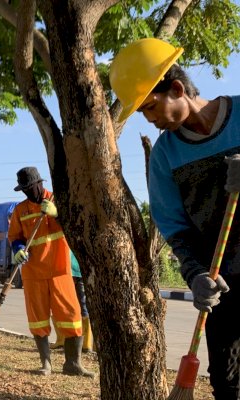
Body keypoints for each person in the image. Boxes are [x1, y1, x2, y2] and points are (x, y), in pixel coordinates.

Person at [110, 37, 240, 399]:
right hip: (225, 283)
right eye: (143, 113)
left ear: (178, 88)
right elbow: (176, 229)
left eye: (151, 107)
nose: (150, 121)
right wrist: (196, 274)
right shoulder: (166, 158)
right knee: (227, 382)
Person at [8, 167, 93, 377]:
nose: (28, 192)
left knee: (71, 316)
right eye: (24, 189)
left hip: (60, 271)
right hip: (33, 273)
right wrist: (18, 250)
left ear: (39, 184)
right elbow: (15, 237)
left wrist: (58, 213)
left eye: (30, 187)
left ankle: (73, 364)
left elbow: (76, 226)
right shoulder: (20, 210)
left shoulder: (58, 200)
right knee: (38, 319)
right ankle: (45, 364)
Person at [51, 250, 93, 353]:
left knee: (62, 305)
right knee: (81, 305)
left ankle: (63, 340)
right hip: (78, 271)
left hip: (67, 271)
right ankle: (85, 344)